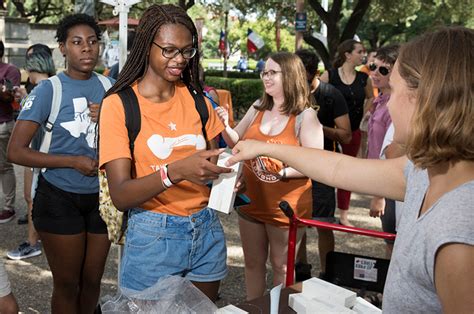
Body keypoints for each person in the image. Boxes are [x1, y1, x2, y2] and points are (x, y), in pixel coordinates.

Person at [227, 27, 473, 313]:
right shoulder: (422, 172)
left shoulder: (458, 232)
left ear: (426, 99)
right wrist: (263, 148)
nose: (385, 103)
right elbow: (339, 167)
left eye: (390, 90)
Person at [98, 4, 231, 302]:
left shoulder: (200, 101)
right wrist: (176, 171)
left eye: (187, 51)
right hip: (152, 236)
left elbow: (214, 164)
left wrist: (231, 177)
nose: (180, 59)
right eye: (169, 50)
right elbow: (120, 195)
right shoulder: (119, 105)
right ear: (146, 46)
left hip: (206, 228)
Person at [7, 14, 113, 312]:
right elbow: (15, 151)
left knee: (93, 281)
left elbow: (134, 136)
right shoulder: (47, 91)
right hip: (58, 197)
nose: (87, 49)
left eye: (93, 42)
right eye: (77, 42)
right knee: (68, 284)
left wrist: (111, 115)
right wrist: (71, 161)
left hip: (102, 198)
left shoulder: (112, 89)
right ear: (63, 48)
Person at [215, 51, 324, 300]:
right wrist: (225, 126)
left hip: (286, 207)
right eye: (265, 72)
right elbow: (237, 142)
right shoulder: (258, 107)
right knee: (252, 264)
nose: (266, 77)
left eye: (273, 72)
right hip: (251, 201)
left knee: (282, 268)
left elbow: (317, 162)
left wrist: (282, 172)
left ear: (291, 75)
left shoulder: (305, 116)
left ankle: (279, 309)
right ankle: (255, 308)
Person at [294, 49, 351, 279]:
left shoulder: (331, 94)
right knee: (297, 222)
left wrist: (314, 125)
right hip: (295, 166)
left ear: (315, 73)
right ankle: (301, 269)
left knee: (323, 223)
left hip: (323, 168)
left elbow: (346, 135)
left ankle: (328, 273)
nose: (300, 84)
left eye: (304, 79)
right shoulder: (291, 93)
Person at [7, 48, 57, 260]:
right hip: (45, 153)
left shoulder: (42, 90)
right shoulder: (53, 86)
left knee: (31, 198)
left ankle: (32, 242)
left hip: (38, 153)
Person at [320, 39, 374, 226]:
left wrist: (364, 115)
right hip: (329, 132)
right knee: (322, 170)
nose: (363, 55)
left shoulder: (363, 78)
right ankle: (319, 212)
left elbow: (371, 98)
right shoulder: (329, 75)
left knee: (347, 174)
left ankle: (343, 215)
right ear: (347, 55)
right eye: (360, 51)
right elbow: (314, 95)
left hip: (353, 131)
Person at [366, 45, 400, 257]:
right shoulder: (379, 100)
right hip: (378, 178)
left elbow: (391, 153)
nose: (375, 73)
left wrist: (380, 195)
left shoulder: (395, 105)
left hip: (389, 184)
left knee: (392, 241)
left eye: (383, 70)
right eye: (373, 67)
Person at [0, 40, 21, 224]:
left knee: (4, 166)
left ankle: (8, 208)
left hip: (3, 125)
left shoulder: (10, 71)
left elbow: (11, 98)